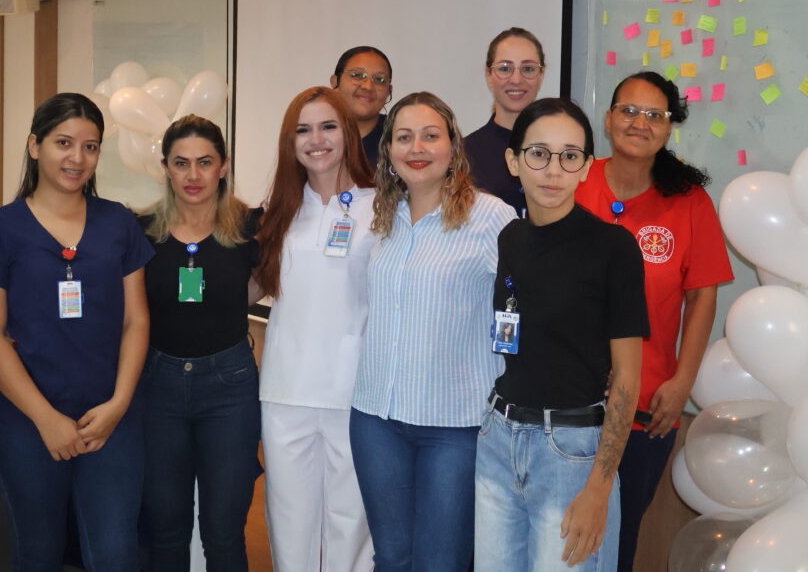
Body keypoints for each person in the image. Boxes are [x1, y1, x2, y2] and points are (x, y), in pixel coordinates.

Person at [0, 93, 152, 572]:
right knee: (38, 553)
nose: (77, 158)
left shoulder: (118, 222)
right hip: (28, 422)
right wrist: (45, 418)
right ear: (35, 146)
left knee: (115, 554)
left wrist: (119, 404)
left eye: (90, 146)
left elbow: (136, 321)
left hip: (110, 420)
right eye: (63, 143)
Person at [475, 98, 649, 572]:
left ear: (586, 167)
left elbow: (628, 378)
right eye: (539, 154)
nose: (553, 170)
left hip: (571, 453)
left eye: (569, 156)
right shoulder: (510, 238)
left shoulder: (613, 247)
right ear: (514, 161)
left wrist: (599, 488)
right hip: (497, 438)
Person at [350, 91, 516, 571]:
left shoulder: (491, 218)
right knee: (392, 558)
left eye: (430, 136)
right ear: (388, 150)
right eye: (404, 137)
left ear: (453, 146)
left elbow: (522, 309)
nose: (417, 148)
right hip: (376, 418)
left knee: (441, 562)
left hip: (455, 427)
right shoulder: (382, 218)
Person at [574, 71, 733, 572]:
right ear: (608, 118)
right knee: (560, 536)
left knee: (617, 540)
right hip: (567, 398)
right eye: (628, 110)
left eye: (654, 115)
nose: (639, 123)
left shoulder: (689, 200)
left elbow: (702, 297)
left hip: (647, 404)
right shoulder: (575, 179)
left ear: (668, 128)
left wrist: (683, 381)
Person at [255, 86, 376, 572]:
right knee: (290, 525)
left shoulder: (382, 208)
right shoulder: (277, 213)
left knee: (352, 526)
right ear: (291, 142)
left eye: (328, 126)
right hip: (286, 392)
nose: (316, 139)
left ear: (347, 133)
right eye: (303, 130)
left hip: (355, 393)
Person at [138, 115, 263, 571]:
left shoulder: (251, 226)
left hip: (229, 387)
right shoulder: (140, 230)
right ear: (165, 168)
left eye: (205, 162)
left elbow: (259, 286)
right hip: (158, 387)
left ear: (223, 166)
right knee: (166, 529)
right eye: (181, 163)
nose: (193, 175)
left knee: (223, 531)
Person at [463, 27, 547, 216]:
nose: (516, 79)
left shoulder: (560, 150)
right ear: (488, 74)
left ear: (541, 74)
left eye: (528, 69)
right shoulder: (463, 154)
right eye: (504, 69)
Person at [330, 45, 393, 167]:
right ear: (335, 82)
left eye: (379, 79)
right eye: (357, 75)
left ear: (389, 90)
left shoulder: (400, 137)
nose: (368, 87)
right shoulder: (314, 134)